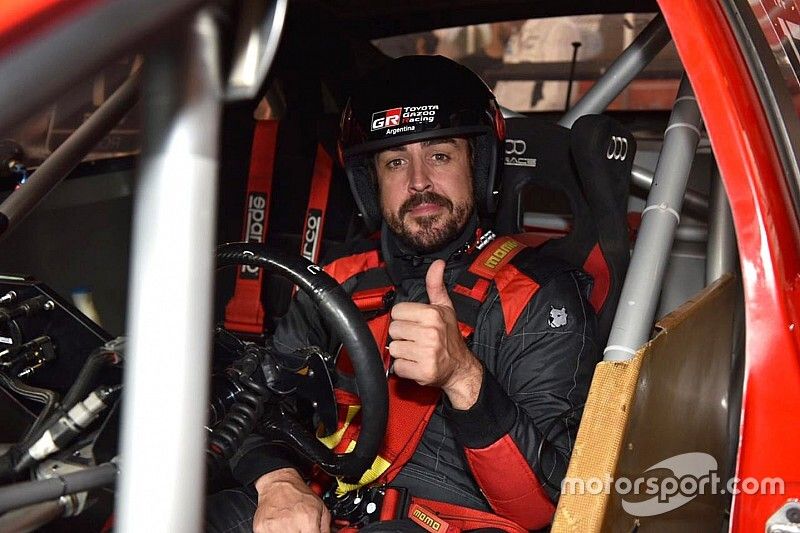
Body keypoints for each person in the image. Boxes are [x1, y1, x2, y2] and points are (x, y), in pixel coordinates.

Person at [207, 55, 599, 533]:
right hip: (320, 506)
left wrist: (463, 377)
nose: (418, 181)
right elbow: (259, 400)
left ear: (477, 166)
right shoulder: (338, 279)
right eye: (396, 161)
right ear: (371, 184)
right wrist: (279, 482)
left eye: (439, 155)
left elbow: (543, 506)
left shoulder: (540, 296)